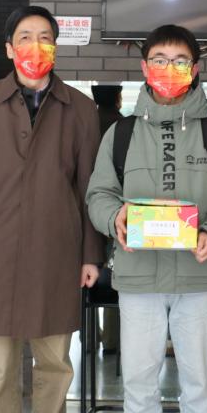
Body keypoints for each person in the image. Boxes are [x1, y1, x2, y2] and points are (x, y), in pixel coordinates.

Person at [86, 24, 207, 413]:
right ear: (145, 68)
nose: (169, 68)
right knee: (138, 386)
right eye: (160, 60)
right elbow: (98, 195)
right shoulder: (120, 134)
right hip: (138, 278)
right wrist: (115, 217)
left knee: (200, 387)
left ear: (195, 69)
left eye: (180, 61)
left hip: (198, 278)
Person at [0, 6, 104, 413]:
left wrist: (90, 255)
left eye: (45, 38)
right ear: (9, 48)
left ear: (56, 47)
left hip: (57, 254)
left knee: (55, 366)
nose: (36, 46)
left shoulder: (81, 109)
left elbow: (90, 187)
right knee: (1, 370)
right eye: (25, 38)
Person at [90, 83, 125, 353]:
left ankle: (89, 339)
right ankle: (112, 341)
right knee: (115, 277)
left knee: (89, 279)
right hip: (118, 215)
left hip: (91, 211)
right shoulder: (124, 127)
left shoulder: (87, 123)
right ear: (117, 99)